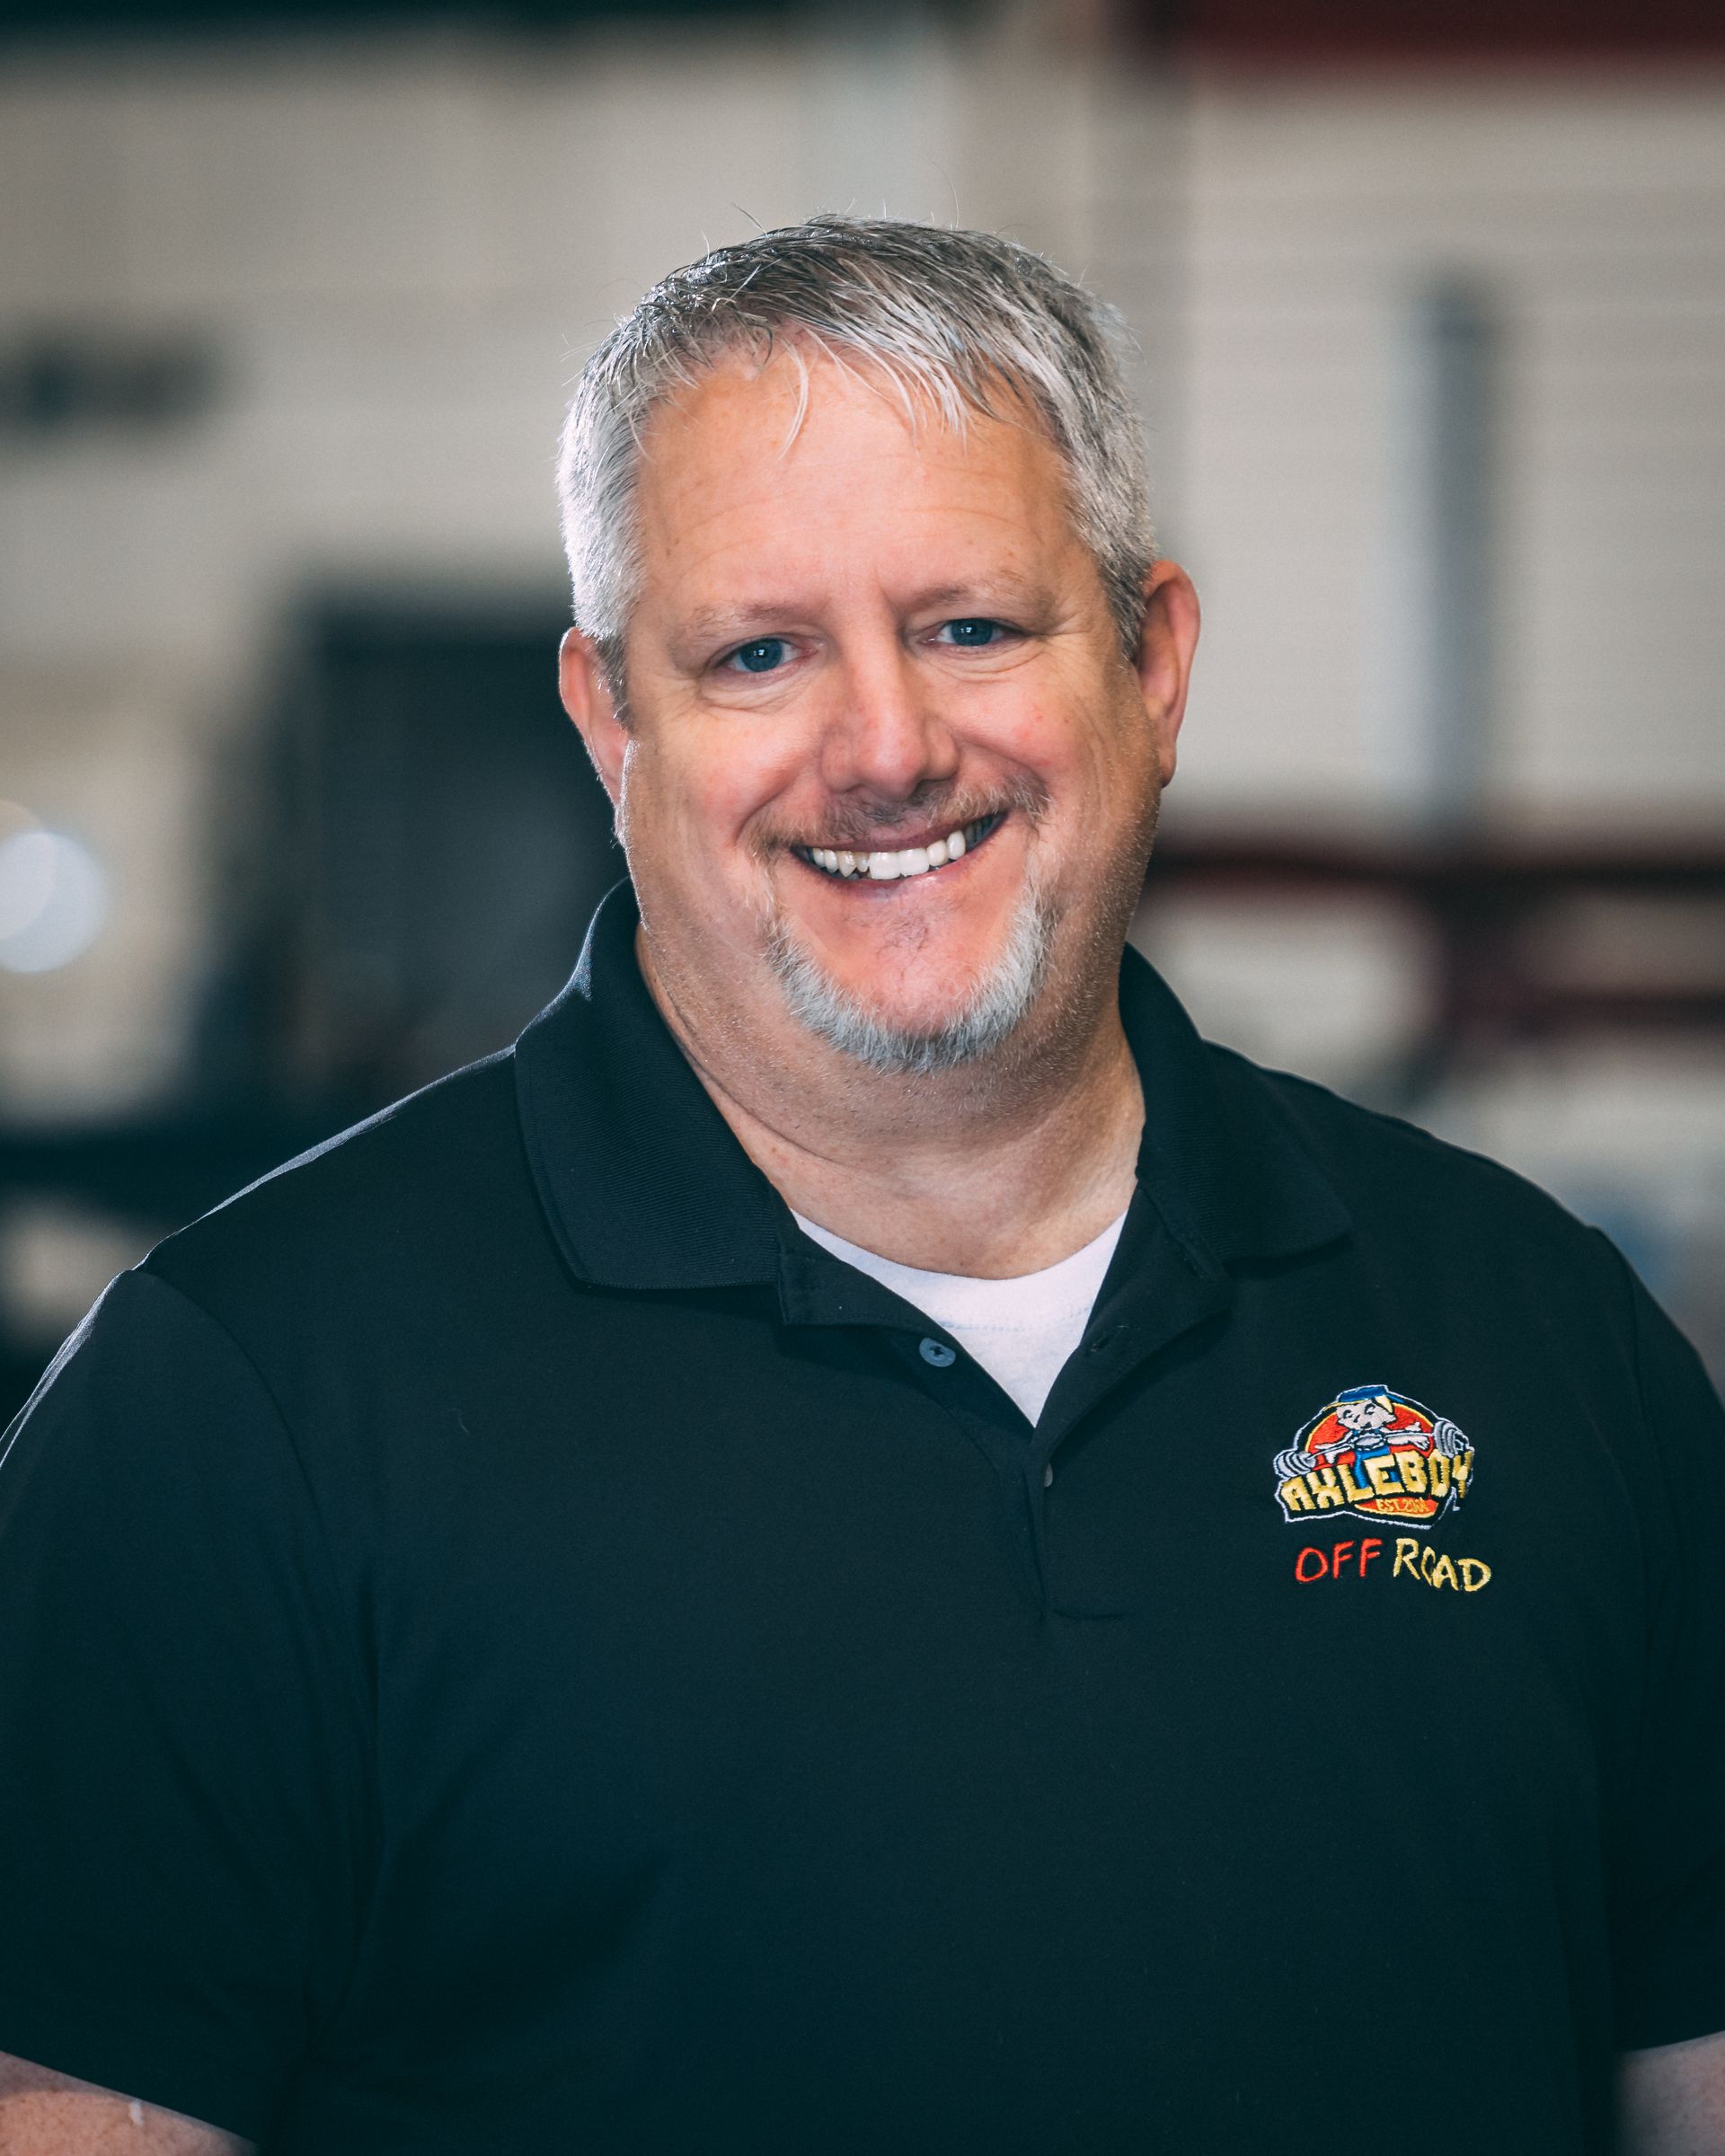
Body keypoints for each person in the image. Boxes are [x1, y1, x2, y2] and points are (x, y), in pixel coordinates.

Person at [0, 216, 1721, 2156]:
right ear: (609, 727)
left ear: (1152, 664)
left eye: (972, 626)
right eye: (759, 654)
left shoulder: (1541, 1338)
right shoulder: (236, 1414)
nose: (888, 748)